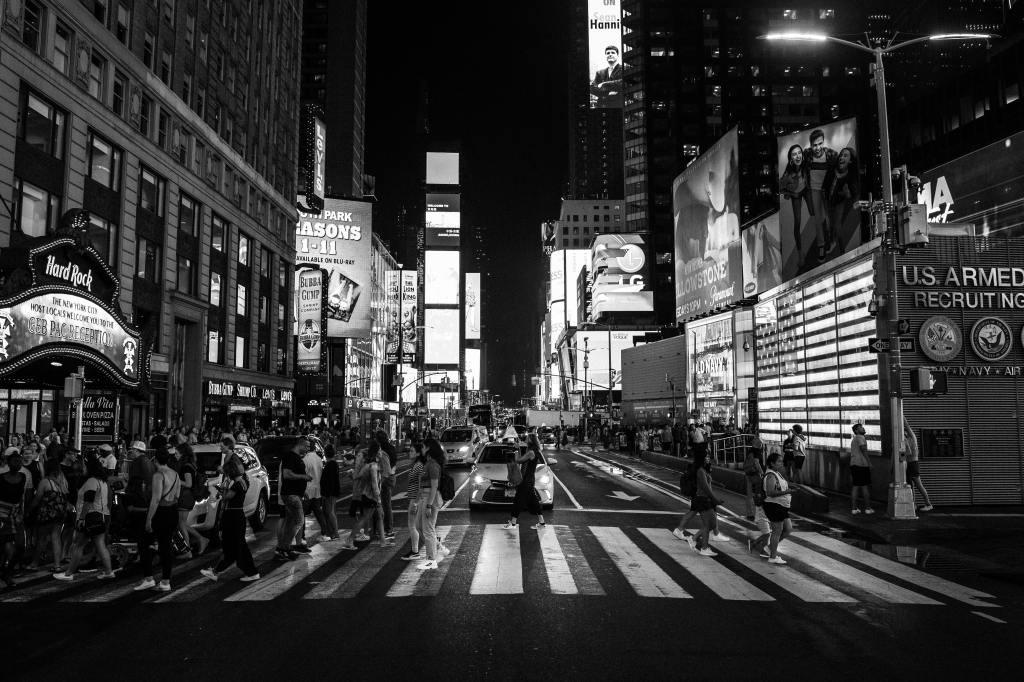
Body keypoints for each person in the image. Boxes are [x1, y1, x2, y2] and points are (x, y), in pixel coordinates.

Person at [54, 454, 115, 581]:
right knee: (100, 544)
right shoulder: (103, 481)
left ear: (90, 467)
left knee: (78, 545)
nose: (83, 468)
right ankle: (109, 572)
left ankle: (68, 574)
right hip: (101, 515)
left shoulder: (91, 481)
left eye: (85, 466)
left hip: (90, 516)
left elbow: (88, 501)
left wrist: (81, 518)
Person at [199, 464, 260, 583]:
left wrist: (218, 490)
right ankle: (216, 571)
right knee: (232, 546)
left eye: (227, 473)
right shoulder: (242, 482)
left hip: (233, 517)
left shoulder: (237, 484)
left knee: (236, 546)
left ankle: (252, 572)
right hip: (236, 516)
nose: (226, 475)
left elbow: (227, 497)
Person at [133, 449, 181, 592]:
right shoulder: (175, 474)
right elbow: (177, 495)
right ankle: (165, 581)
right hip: (173, 510)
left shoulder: (158, 475)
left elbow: (155, 499)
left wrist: (149, 519)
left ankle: (149, 578)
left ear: (155, 460)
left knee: (144, 543)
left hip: (161, 512)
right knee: (166, 546)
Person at [27, 457, 69, 571]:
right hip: (60, 514)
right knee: (56, 538)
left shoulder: (45, 481)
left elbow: (37, 499)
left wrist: (29, 510)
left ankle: (34, 563)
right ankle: (57, 565)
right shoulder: (62, 482)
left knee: (42, 538)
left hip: (47, 514)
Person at [276, 438, 311, 560]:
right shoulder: (290, 457)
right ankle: (285, 548)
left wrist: (303, 490)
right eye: (306, 446)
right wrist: (303, 477)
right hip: (291, 495)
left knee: (290, 522)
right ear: (300, 445)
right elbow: (287, 474)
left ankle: (282, 549)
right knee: (298, 521)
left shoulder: (296, 457)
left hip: (294, 494)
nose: (308, 449)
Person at [805, 129, 838, 262]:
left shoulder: (831, 154)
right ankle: (821, 245)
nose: (818, 147)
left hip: (827, 190)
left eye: (820, 144)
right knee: (818, 219)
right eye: (814, 145)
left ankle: (832, 240)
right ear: (811, 145)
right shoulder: (807, 154)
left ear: (823, 142)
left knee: (829, 218)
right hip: (814, 190)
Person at [414, 439, 446, 570]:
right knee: (419, 526)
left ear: (428, 448)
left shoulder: (433, 465)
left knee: (427, 529)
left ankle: (431, 559)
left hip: (430, 498)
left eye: (423, 447)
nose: (421, 449)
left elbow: (434, 486)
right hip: (425, 496)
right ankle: (437, 546)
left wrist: (428, 505)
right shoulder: (428, 463)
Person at [503, 437, 546, 531]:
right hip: (529, 479)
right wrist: (518, 448)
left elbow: (518, 460)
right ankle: (542, 522)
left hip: (526, 480)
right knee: (533, 501)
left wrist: (516, 450)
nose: (526, 439)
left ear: (531, 440)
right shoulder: (534, 451)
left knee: (518, 499)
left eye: (527, 438)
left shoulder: (531, 452)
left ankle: (513, 523)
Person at [779, 143, 813, 259]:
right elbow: (780, 187)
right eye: (794, 154)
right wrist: (790, 193)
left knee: (813, 212)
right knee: (797, 222)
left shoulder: (806, 163)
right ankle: (800, 252)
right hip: (796, 194)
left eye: (799, 153)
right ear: (791, 158)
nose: (798, 156)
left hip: (806, 190)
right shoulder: (788, 173)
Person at [823, 147, 859, 254]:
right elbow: (824, 187)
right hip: (828, 201)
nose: (841, 157)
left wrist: (846, 193)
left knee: (837, 226)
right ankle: (832, 241)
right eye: (841, 155)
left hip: (839, 203)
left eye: (845, 156)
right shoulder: (832, 170)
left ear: (850, 161)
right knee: (829, 225)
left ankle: (842, 250)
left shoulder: (850, 176)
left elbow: (852, 195)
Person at [0, 451, 29, 586]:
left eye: (19, 461)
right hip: (2, 514)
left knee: (21, 546)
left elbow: (22, 496)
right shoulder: (1, 478)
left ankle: (6, 571)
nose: (18, 463)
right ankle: (6, 574)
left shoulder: (23, 477)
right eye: (15, 461)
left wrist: (21, 512)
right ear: (8, 463)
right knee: (6, 546)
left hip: (15, 514)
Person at [762, 452, 794, 565]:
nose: (781, 463)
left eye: (781, 461)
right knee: (777, 531)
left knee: (788, 529)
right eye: (779, 461)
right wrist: (787, 492)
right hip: (774, 506)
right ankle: (773, 557)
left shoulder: (777, 473)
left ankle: (770, 547)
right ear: (772, 463)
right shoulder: (771, 475)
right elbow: (770, 493)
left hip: (781, 506)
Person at [174, 443, 206, 556]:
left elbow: (188, 484)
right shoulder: (190, 465)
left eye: (177, 453)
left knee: (181, 524)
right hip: (187, 497)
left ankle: (188, 550)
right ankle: (199, 540)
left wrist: (176, 480)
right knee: (181, 523)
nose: (175, 456)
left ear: (182, 454)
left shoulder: (186, 467)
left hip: (185, 497)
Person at [689, 452, 721, 557]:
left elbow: (708, 484)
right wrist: (715, 499)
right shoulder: (700, 471)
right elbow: (705, 487)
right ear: (701, 459)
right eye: (706, 457)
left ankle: (695, 539)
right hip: (702, 500)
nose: (708, 458)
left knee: (712, 524)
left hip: (706, 499)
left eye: (708, 457)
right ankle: (704, 547)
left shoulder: (704, 470)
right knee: (709, 524)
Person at [400, 443, 428, 562]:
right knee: (417, 526)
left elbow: (420, 485)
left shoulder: (419, 466)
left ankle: (416, 551)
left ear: (417, 453)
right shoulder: (416, 465)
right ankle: (432, 546)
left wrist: (416, 503)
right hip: (414, 498)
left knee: (413, 526)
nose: (409, 453)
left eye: (412, 451)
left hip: (416, 498)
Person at [901, 417, 933, 512]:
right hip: (908, 464)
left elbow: (907, 426)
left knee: (918, 485)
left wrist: (902, 417)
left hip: (913, 463)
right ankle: (913, 504)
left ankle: (928, 504)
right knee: (910, 486)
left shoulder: (912, 438)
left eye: (905, 432)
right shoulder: (905, 441)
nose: (904, 433)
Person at [301, 439, 328, 546]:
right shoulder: (318, 459)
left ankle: (301, 536)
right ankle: (324, 532)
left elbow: (304, 475)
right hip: (317, 489)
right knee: (318, 512)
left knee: (301, 514)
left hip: (307, 489)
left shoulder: (305, 460)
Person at [849, 423, 874, 515]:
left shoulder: (855, 438)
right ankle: (868, 508)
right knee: (864, 486)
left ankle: (854, 509)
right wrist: (869, 463)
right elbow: (863, 450)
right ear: (856, 431)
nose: (863, 428)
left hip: (854, 464)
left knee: (855, 486)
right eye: (860, 428)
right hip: (861, 464)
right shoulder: (860, 437)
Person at [318, 445, 342, 541]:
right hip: (332, 492)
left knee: (330, 512)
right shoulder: (333, 464)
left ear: (325, 453)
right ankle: (332, 532)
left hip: (330, 493)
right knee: (330, 512)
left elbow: (330, 481)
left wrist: (326, 494)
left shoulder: (330, 465)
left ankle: (335, 533)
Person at [742, 441, 765, 521]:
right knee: (759, 494)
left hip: (748, 473)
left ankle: (750, 514)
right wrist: (762, 472)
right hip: (756, 474)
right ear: (759, 445)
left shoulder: (749, 450)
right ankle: (758, 513)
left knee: (749, 494)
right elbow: (756, 462)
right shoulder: (757, 451)